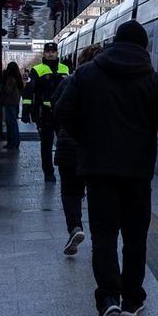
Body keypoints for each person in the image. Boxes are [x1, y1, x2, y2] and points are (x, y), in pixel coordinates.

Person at [56, 21, 158, 316]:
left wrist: (85, 138)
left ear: (114, 42)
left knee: (103, 236)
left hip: (98, 172)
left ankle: (108, 300)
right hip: (137, 173)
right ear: (144, 48)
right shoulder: (154, 81)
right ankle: (132, 299)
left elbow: (62, 113)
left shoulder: (86, 74)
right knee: (135, 237)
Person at [53, 46, 99, 256]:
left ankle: (75, 228)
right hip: (94, 148)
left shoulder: (68, 82)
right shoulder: (106, 85)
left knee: (70, 192)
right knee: (98, 193)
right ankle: (100, 237)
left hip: (68, 146)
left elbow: (57, 111)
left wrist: (63, 135)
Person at [22, 42, 69, 182]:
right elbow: (28, 91)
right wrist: (26, 112)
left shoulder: (65, 68)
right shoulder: (36, 70)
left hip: (63, 113)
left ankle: (64, 168)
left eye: (53, 51)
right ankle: (49, 173)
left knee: (64, 142)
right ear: (44, 53)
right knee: (46, 144)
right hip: (45, 113)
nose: (50, 53)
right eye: (48, 51)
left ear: (57, 53)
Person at [0, 62, 24, 149]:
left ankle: (13, 142)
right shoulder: (17, 78)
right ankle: (14, 142)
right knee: (13, 123)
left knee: (11, 123)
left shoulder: (10, 78)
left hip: (9, 102)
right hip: (14, 102)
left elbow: (7, 90)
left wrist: (3, 81)